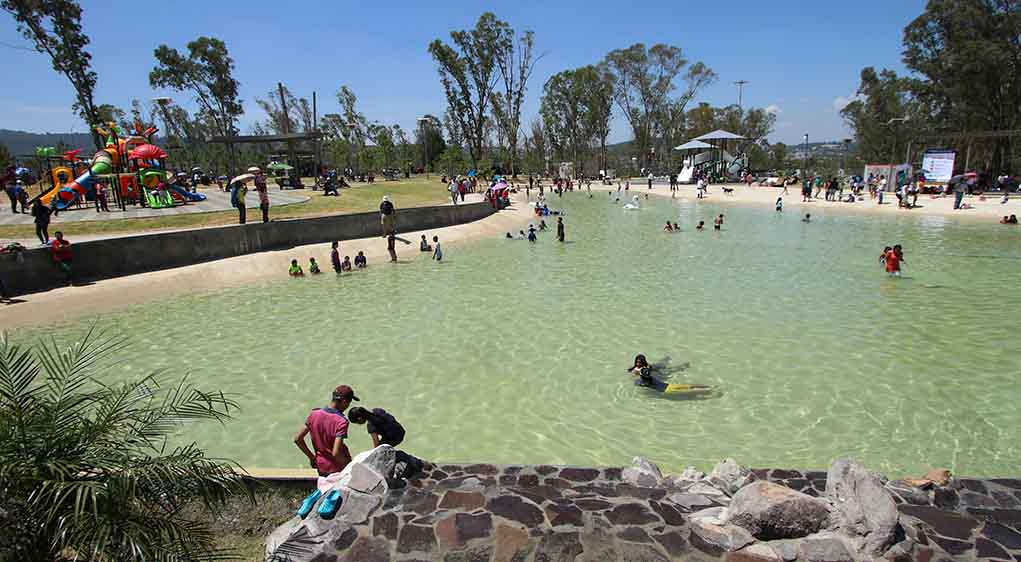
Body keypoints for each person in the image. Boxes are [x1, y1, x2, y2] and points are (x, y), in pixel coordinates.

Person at [294, 385, 358, 476]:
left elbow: (297, 439)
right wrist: (348, 467)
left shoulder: (314, 414)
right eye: (349, 402)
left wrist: (312, 458)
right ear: (344, 402)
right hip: (337, 468)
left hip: (321, 466)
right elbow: (336, 453)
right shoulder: (341, 422)